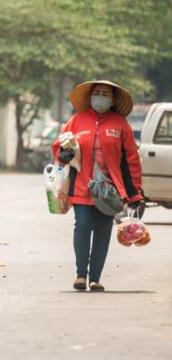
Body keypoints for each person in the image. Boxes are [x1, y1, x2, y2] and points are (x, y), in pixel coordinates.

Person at [52, 80, 143, 292]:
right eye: (97, 93)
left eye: (105, 94)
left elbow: (132, 159)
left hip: (111, 190)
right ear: (90, 97)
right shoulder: (76, 121)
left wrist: (136, 193)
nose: (100, 96)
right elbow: (59, 147)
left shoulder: (120, 124)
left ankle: (95, 278)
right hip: (81, 186)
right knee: (82, 226)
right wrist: (62, 153)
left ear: (112, 100)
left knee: (103, 231)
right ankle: (81, 274)